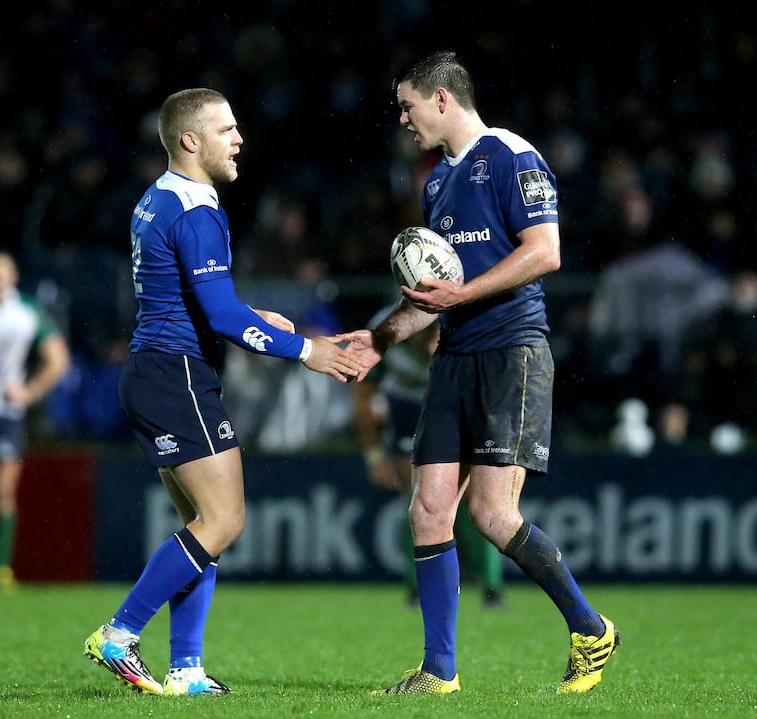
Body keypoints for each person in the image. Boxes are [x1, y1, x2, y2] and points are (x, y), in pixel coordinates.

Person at [341, 51, 619, 696]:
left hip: (510, 353)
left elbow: (544, 252)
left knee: (493, 515)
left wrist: (460, 299)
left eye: (408, 106)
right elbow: (436, 294)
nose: (403, 119)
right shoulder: (437, 182)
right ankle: (438, 671)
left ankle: (590, 629)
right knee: (427, 510)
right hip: (454, 359)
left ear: (442, 99)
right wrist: (381, 338)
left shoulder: (513, 156)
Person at [82, 88, 362, 697]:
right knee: (225, 520)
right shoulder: (196, 209)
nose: (239, 140)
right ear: (191, 140)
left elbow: (189, 298)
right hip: (177, 376)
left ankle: (186, 671)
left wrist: (248, 312)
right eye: (226, 129)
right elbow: (219, 316)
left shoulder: (157, 199)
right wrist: (308, 351)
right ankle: (120, 632)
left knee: (201, 525)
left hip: (156, 372)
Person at [351, 304, 506, 607]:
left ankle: (492, 587)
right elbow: (363, 396)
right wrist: (374, 456)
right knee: (417, 499)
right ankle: (417, 588)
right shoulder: (384, 329)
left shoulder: (465, 323)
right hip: (408, 411)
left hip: (459, 407)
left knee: (473, 499)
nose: (431, 349)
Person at [0, 251, 71, 589]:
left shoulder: (26, 314)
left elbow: (57, 358)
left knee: (1, 490)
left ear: (13, 278)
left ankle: (0, 568)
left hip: (6, 414)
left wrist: (30, 391)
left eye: (1, 274)